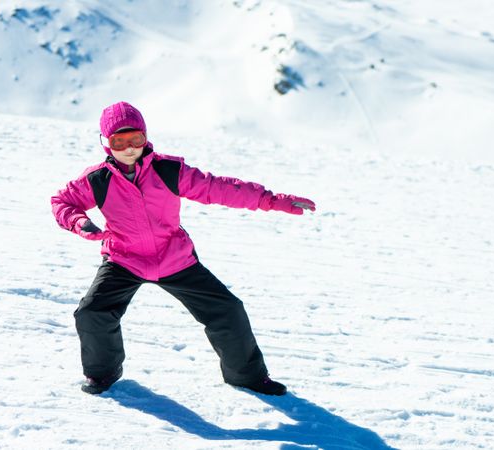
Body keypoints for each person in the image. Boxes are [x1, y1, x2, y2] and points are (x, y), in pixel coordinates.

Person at [51, 101, 315, 396]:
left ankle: (247, 376)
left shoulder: (168, 170)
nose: (128, 148)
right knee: (92, 313)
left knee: (227, 310)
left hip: (173, 257)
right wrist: (79, 222)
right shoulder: (97, 179)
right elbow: (63, 202)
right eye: (119, 141)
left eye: (135, 139)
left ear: (145, 137)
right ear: (106, 143)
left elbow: (219, 188)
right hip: (124, 259)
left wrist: (272, 200)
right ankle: (103, 374)